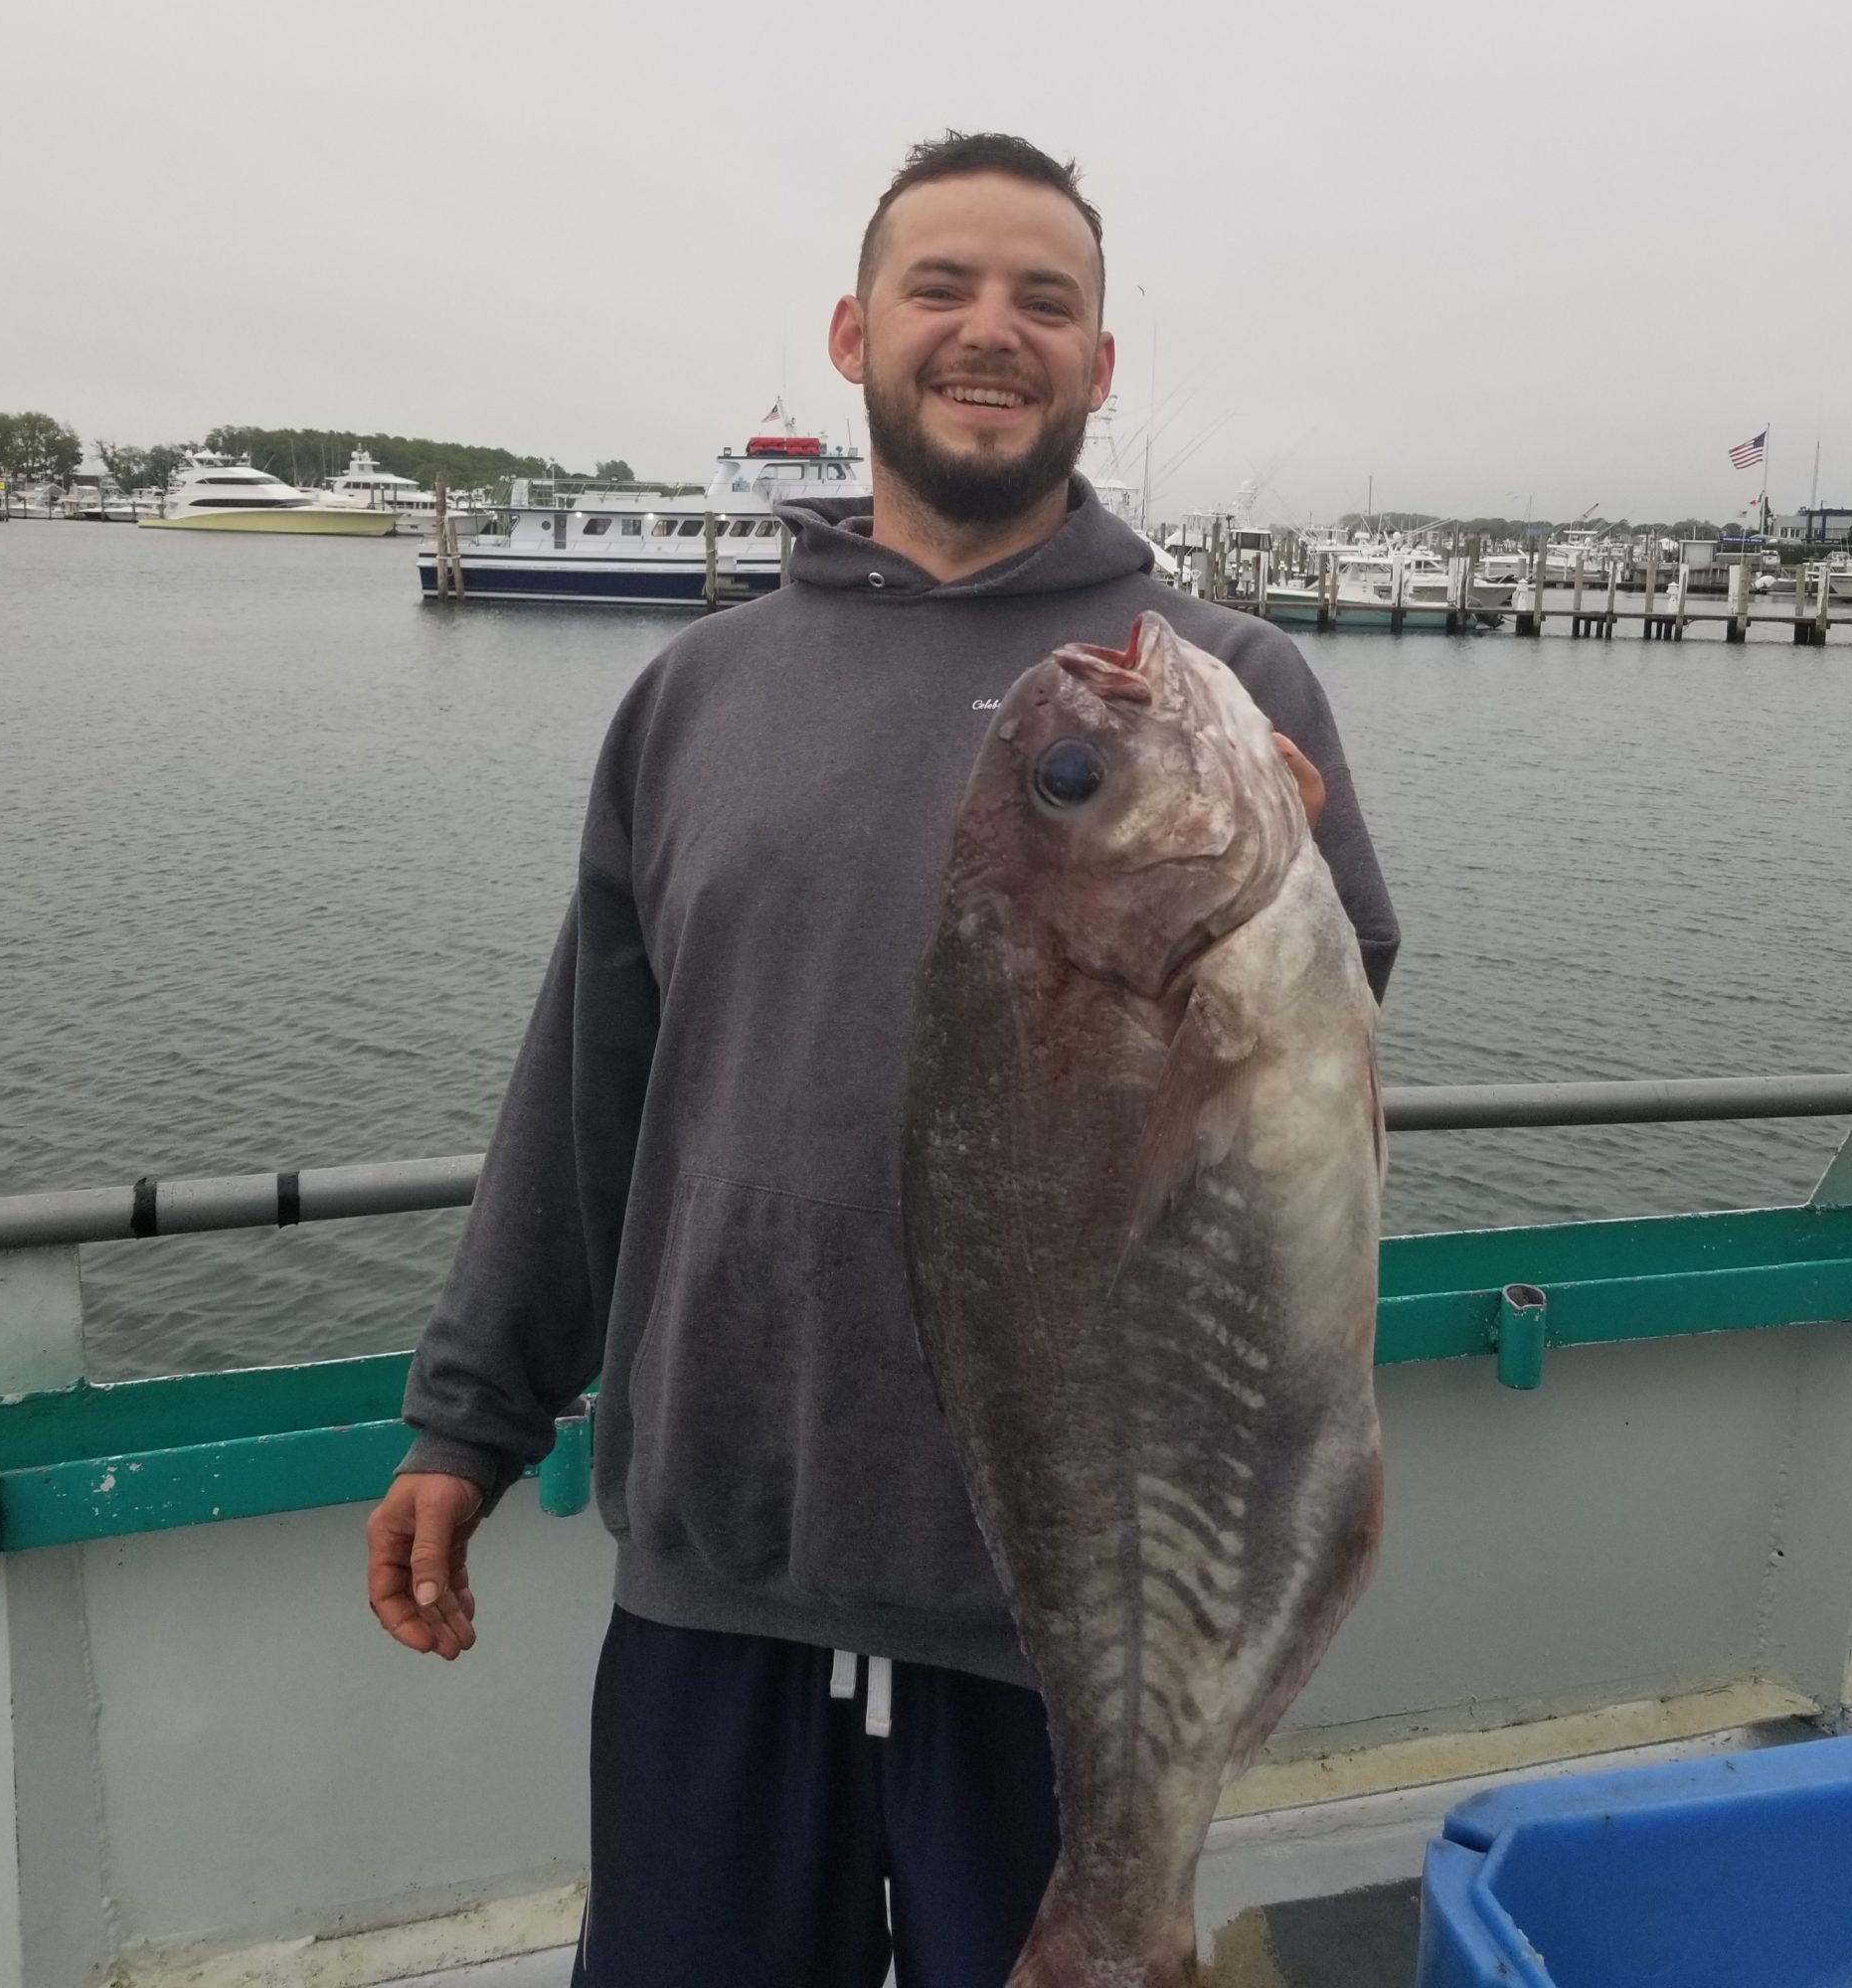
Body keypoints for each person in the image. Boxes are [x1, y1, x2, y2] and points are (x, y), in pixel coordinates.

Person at [367, 131, 1399, 1986]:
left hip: (1062, 1617)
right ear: (853, 334)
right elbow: (589, 1089)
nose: (989, 331)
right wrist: (472, 1412)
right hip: (724, 1573)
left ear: (1099, 366)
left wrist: (1289, 930)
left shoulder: (1223, 681)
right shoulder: (696, 695)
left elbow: (1332, 1055)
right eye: (943, 288)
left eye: (1045, 301)